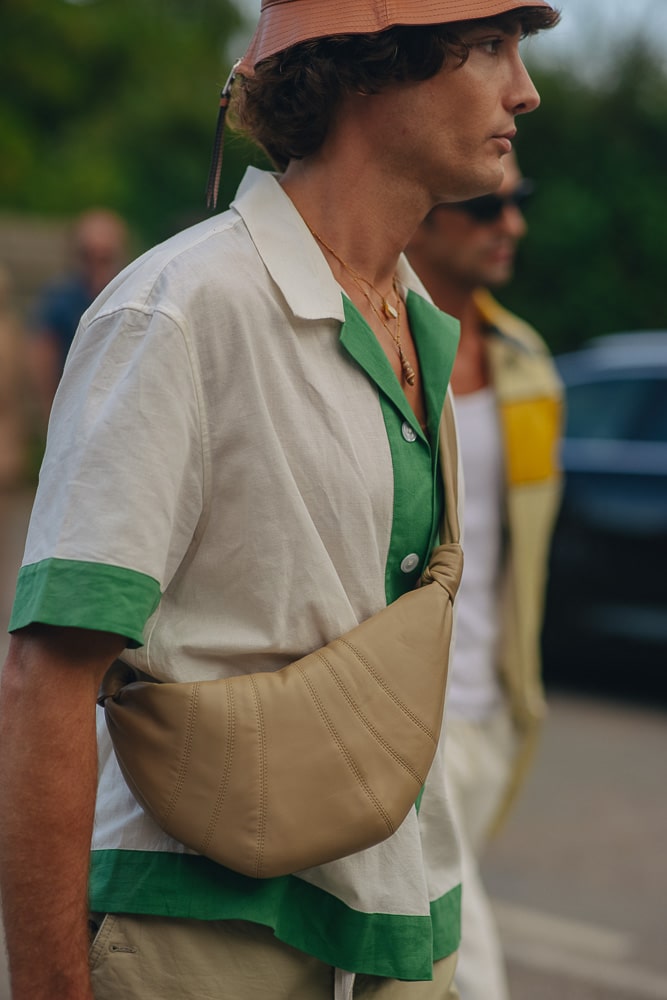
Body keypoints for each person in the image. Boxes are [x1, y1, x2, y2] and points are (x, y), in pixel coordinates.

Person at [0, 3, 559, 999]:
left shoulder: (421, 321)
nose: (525, 88)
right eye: (488, 47)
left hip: (395, 927)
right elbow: (47, 682)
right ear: (367, 67)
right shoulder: (179, 309)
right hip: (193, 931)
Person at [406, 153, 563, 1000]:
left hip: (489, 714)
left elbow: (519, 550)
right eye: (486, 208)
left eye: (519, 204)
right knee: (468, 970)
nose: (512, 226)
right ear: (424, 211)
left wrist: (515, 693)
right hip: (397, 713)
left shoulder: (527, 364)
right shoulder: (368, 341)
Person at [28, 208, 129, 425]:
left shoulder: (130, 295)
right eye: (88, 255)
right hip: (70, 411)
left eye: (105, 257)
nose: (96, 265)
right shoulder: (61, 298)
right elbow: (43, 354)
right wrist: (49, 414)